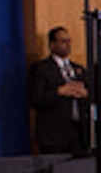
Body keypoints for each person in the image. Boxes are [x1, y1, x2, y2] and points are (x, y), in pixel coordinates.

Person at [27, 26, 90, 156]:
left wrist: (85, 94)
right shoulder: (41, 69)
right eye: (63, 41)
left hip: (78, 132)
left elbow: (92, 95)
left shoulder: (78, 69)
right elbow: (35, 99)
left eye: (69, 41)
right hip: (53, 135)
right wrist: (59, 92)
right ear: (52, 44)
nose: (67, 45)